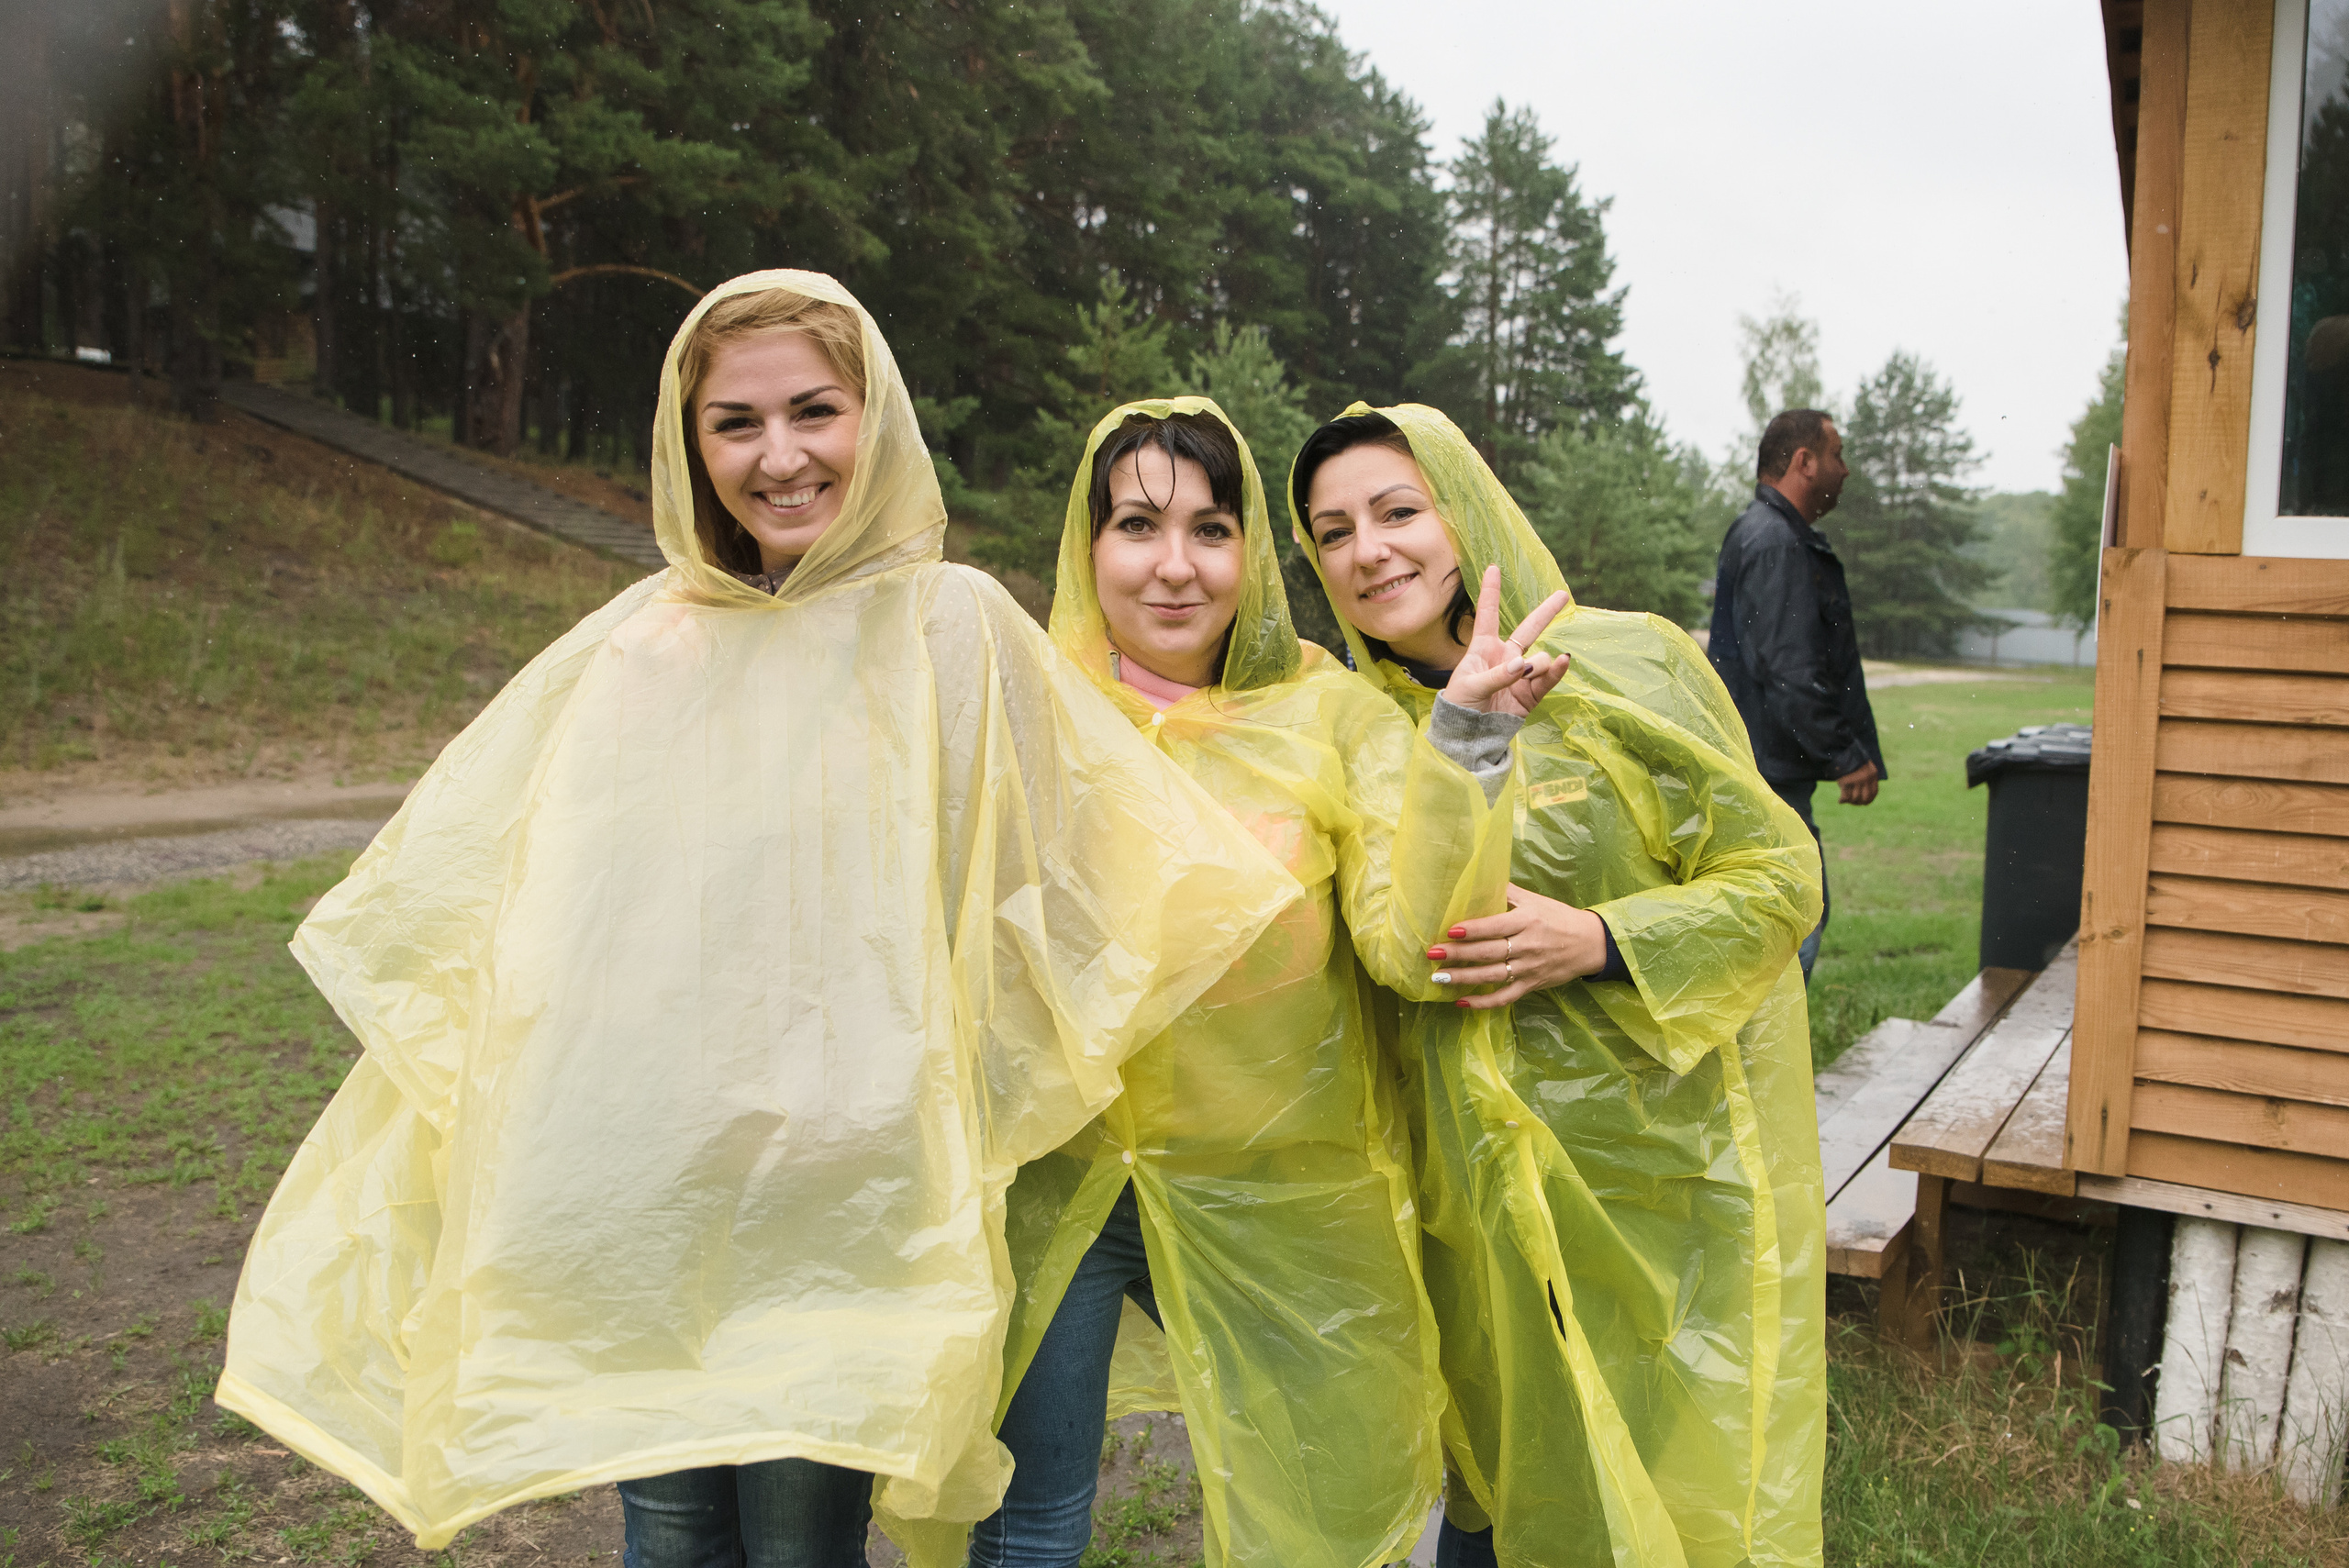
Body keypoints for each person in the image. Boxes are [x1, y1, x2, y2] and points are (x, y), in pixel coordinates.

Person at [214, 272, 1303, 1565]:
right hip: (658, 1187)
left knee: (798, 1542)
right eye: (736, 422)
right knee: (671, 1532)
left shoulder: (955, 628)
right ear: (691, 446)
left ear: (875, 417)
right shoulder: (641, 650)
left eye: (814, 411)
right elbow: (549, 924)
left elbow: (1084, 880)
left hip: (848, 1201)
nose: (780, 456)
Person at [894, 398, 1565, 1568]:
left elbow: (1413, 948)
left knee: (1310, 1515)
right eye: (1136, 524)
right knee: (1028, 1523)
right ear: (1085, 544)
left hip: (1280, 1185)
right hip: (1063, 1180)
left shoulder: (1330, 719)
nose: (1172, 566)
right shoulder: (1021, 709)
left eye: (1211, 530)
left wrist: (1466, 745)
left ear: (1252, 552)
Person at [1291, 403, 1827, 1568]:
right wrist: (1466, 741)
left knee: (1677, 1480)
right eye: (1331, 532)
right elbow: (1412, 949)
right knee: (1507, 1488)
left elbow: (1779, 876)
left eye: (1396, 509)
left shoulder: (1631, 659)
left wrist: (1599, 935)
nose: (1367, 550)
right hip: (1476, 1191)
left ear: (1462, 508)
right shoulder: (1352, 726)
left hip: (1658, 1178)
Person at [1707, 407, 1887, 980]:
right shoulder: (1776, 543)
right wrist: (1845, 754)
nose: (1847, 469)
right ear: (1803, 462)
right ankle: (1766, 1066)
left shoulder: (1774, 536)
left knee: (1791, 921)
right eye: (1838, 454)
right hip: (1769, 779)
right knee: (1794, 927)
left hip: (1768, 772)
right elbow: (1788, 669)